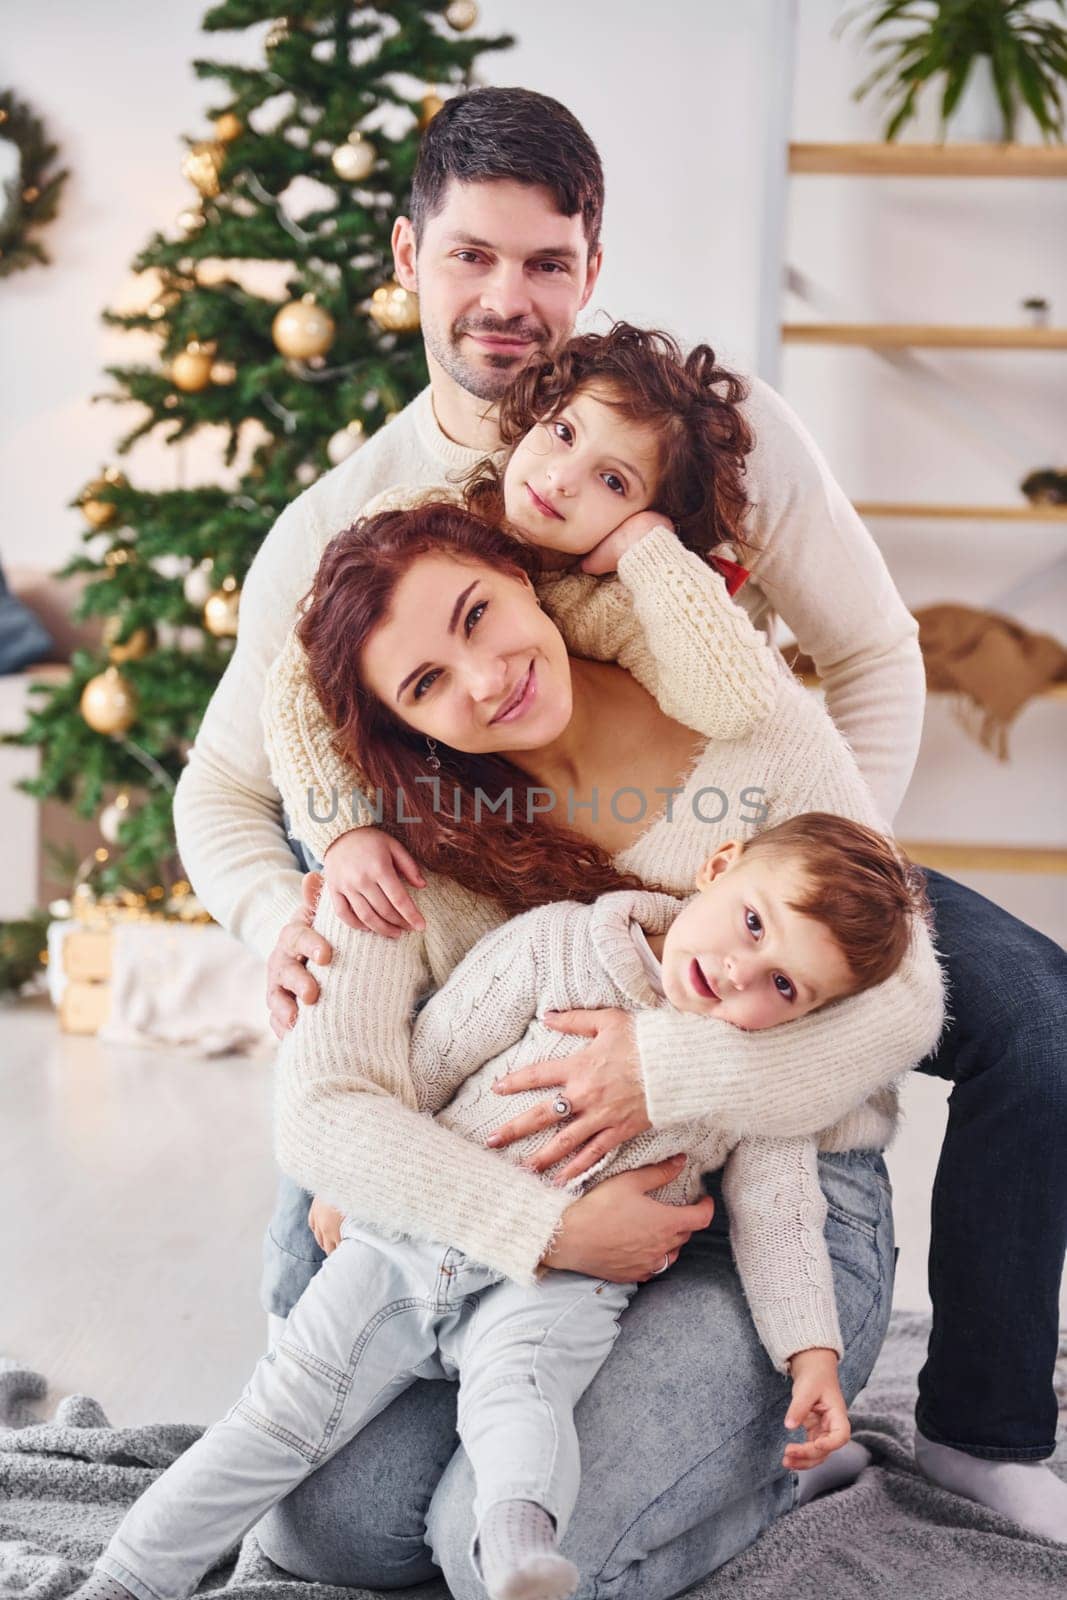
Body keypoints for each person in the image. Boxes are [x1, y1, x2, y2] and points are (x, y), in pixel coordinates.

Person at [170, 86, 1067, 1571]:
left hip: (734, 838)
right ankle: (383, 1388)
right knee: (328, 1389)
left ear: (590, 261)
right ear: (406, 260)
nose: (504, 299)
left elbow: (870, 657)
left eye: (543, 261)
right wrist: (303, 899)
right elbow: (232, 781)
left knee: (1032, 1008)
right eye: (468, 259)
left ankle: (978, 1423)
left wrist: (804, 866)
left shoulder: (688, 429)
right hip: (516, 944)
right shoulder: (352, 524)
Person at [80, 810, 927, 1600]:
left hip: (563, 1289)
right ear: (717, 866)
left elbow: (780, 1221)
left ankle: (523, 1553)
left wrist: (810, 1352)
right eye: (751, 923)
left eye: (782, 986)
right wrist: (350, 1181)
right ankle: (125, 1579)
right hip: (413, 1238)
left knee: (520, 1405)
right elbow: (429, 1060)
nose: (742, 972)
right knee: (276, 1418)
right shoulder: (560, 946)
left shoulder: (755, 1078)